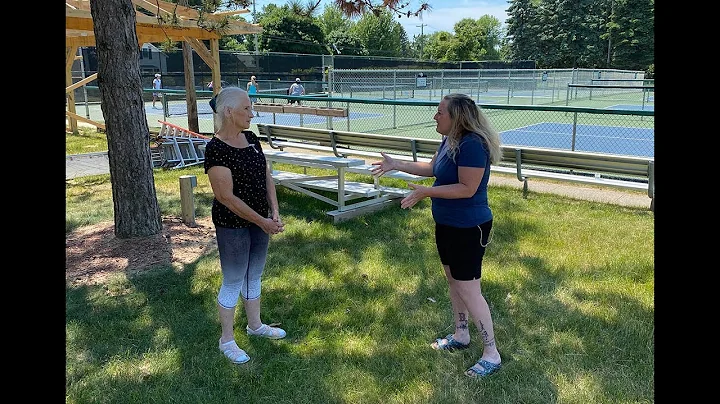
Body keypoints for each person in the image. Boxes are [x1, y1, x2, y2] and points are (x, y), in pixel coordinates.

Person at [370, 93, 503, 379]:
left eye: (440, 112)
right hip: (447, 223)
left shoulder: (471, 145)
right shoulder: (451, 140)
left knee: (469, 289)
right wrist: (397, 164)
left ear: (457, 118)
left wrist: (424, 192)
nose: (435, 116)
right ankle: (461, 334)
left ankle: (491, 353)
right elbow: (433, 169)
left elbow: (467, 188)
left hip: (469, 227)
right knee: (453, 281)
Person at [204, 87, 286, 365]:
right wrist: (261, 220)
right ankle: (226, 340)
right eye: (247, 109)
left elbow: (266, 176)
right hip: (233, 225)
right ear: (229, 112)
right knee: (234, 279)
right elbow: (225, 196)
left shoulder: (251, 138)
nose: (252, 114)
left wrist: (273, 212)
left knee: (255, 275)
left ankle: (255, 325)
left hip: (260, 221)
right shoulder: (216, 148)